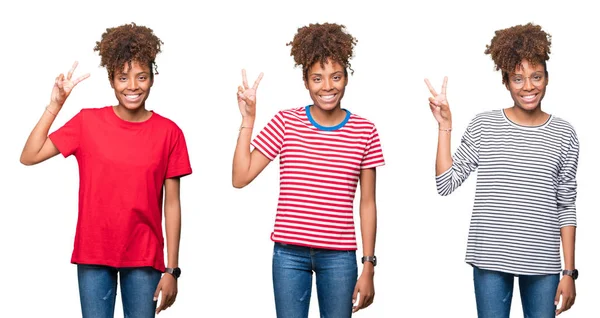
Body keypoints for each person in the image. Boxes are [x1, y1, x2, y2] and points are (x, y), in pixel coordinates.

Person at [20, 23, 191, 317]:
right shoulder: (87, 123)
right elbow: (29, 155)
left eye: (141, 77)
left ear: (152, 79)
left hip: (144, 258)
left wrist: (172, 269)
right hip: (94, 253)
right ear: (111, 80)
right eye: (123, 78)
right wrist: (55, 105)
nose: (133, 86)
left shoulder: (169, 132)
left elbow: (172, 204)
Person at [425, 23, 578, 317]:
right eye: (517, 78)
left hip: (542, 261)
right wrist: (445, 125)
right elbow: (445, 183)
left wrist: (569, 271)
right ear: (506, 82)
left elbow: (566, 203)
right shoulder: (484, 126)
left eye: (536, 77)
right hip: (490, 257)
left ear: (547, 78)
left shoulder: (564, 134)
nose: (528, 86)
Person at [232, 22, 384, 317]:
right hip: (289, 254)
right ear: (305, 81)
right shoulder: (286, 122)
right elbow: (240, 177)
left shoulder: (365, 131)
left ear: (346, 78)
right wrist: (248, 120)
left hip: (340, 256)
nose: (327, 87)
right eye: (317, 78)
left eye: (336, 77)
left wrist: (368, 265)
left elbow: (368, 203)